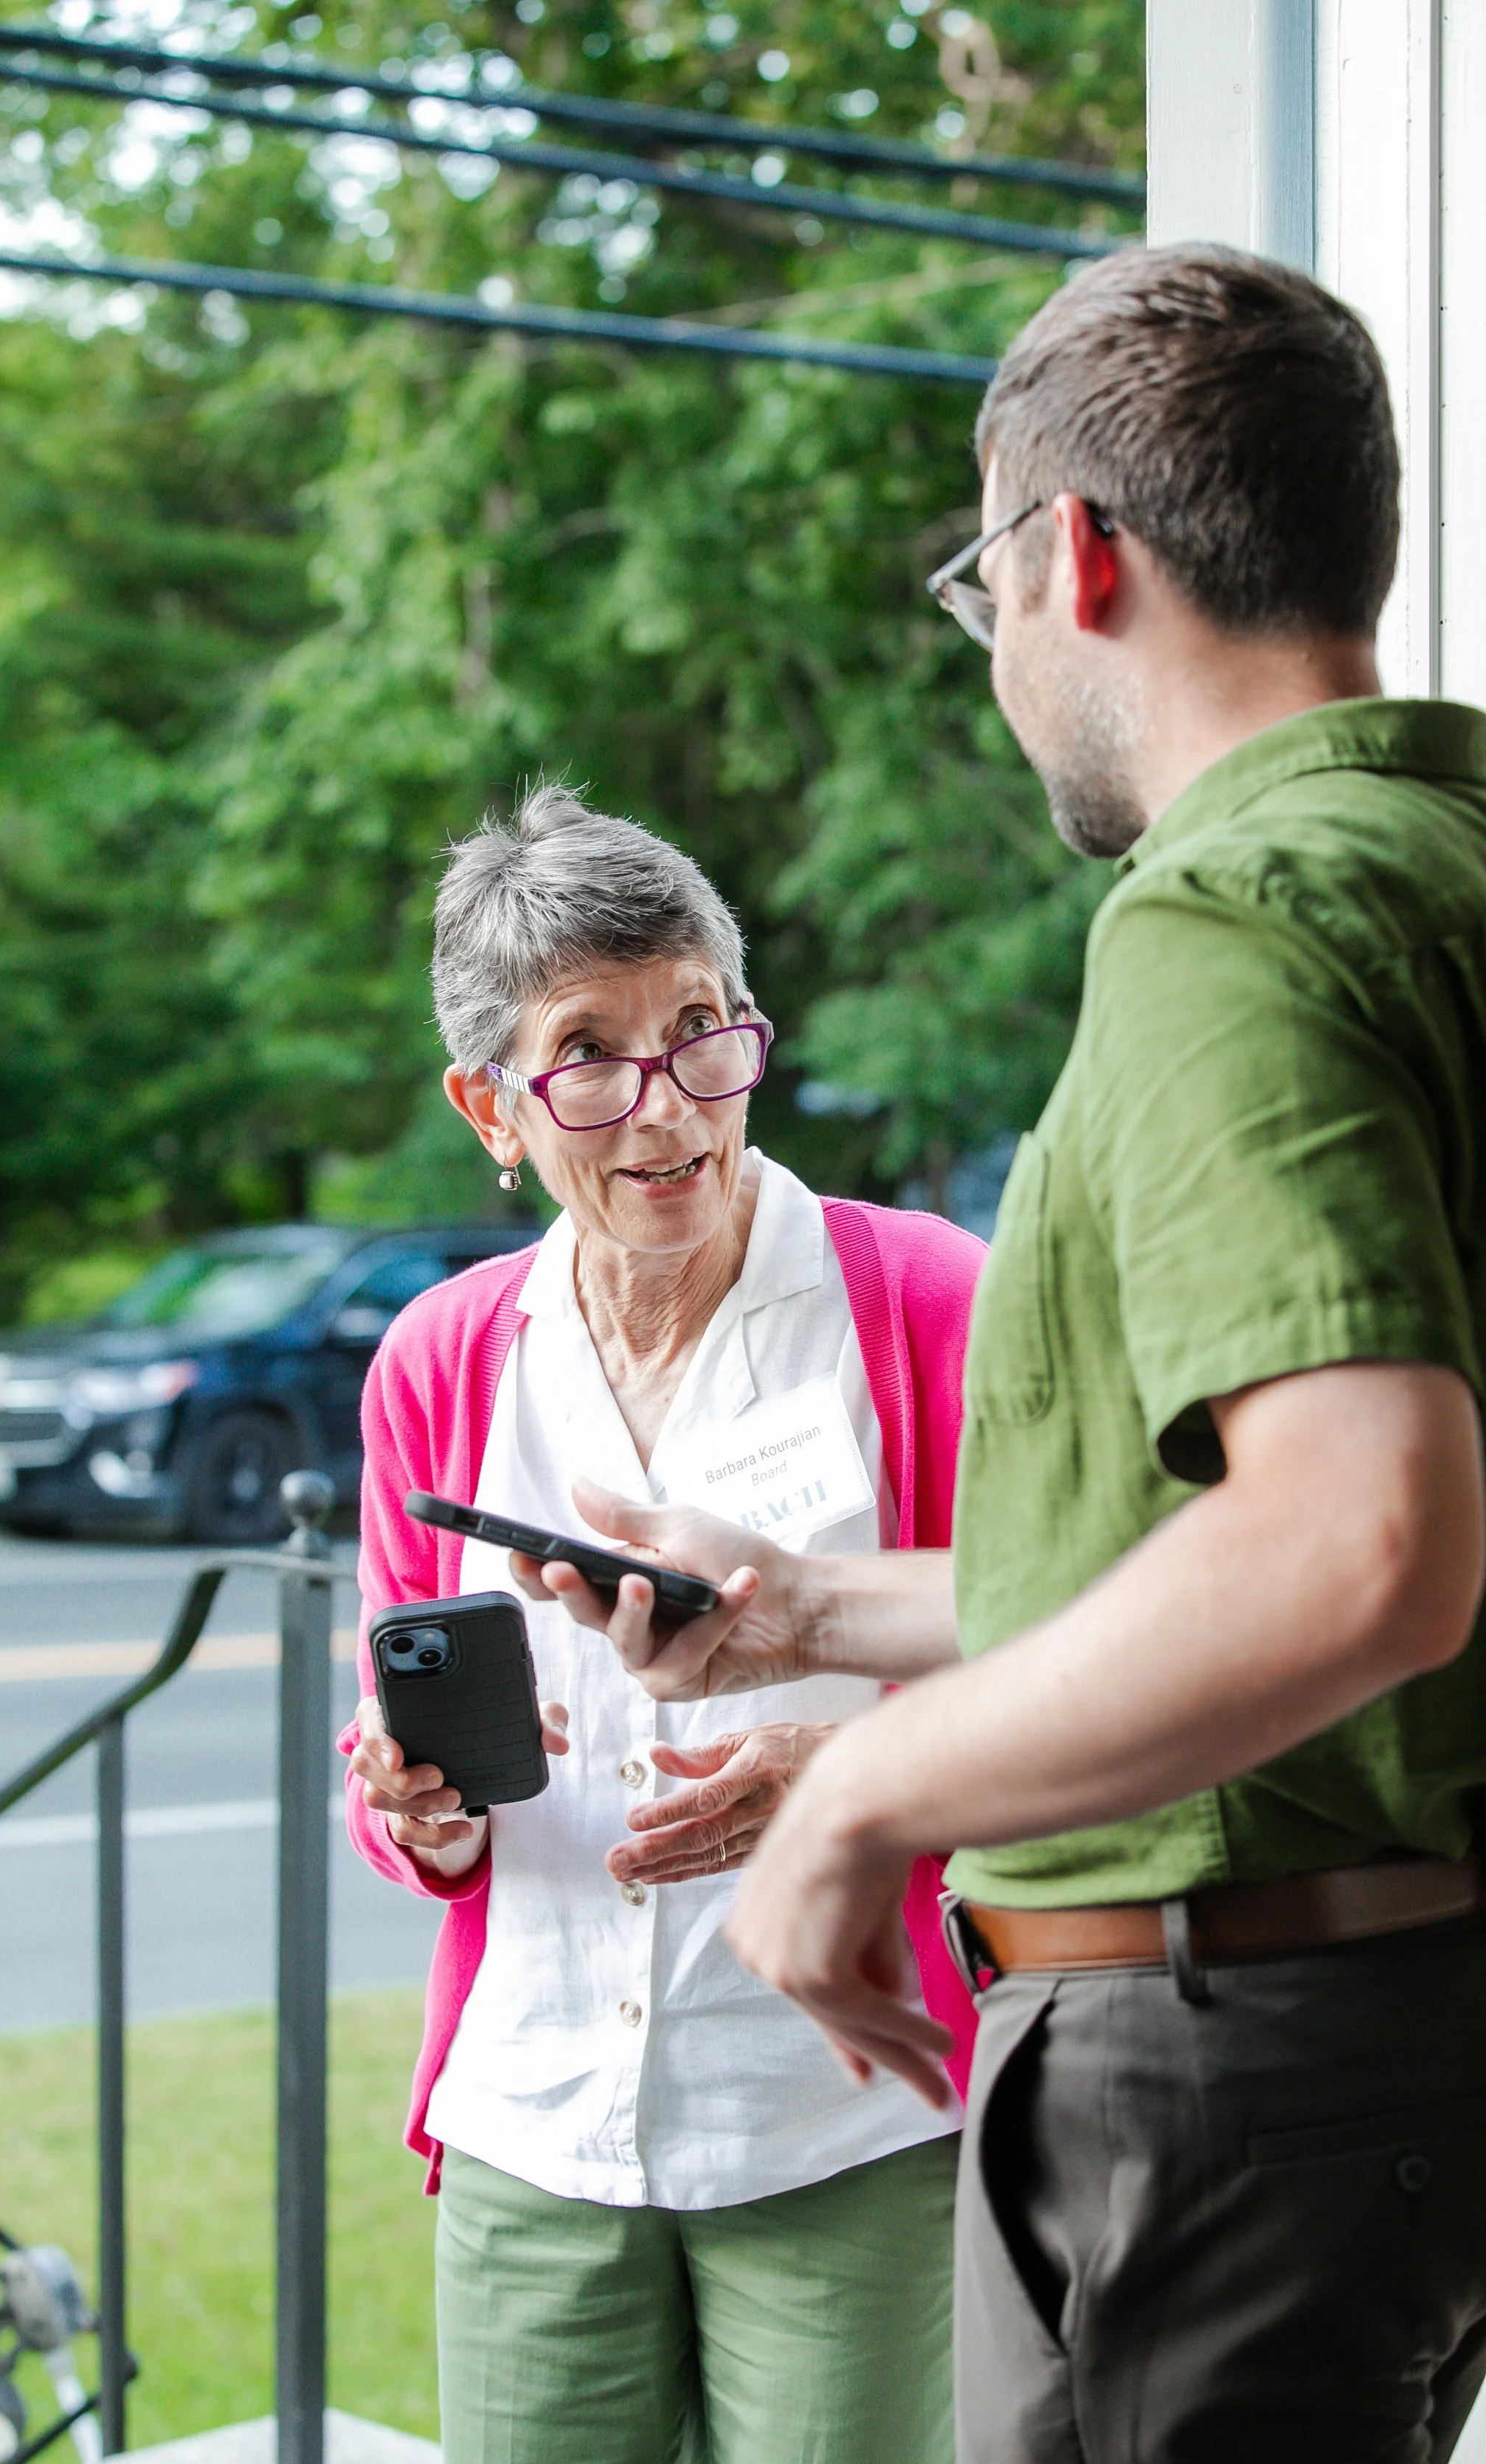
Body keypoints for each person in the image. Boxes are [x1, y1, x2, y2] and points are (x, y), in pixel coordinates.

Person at [535, 246, 1486, 2460]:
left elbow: (1366, 1549)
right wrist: (798, 1615)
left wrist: (867, 1783)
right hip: (1391, 2043)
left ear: (1078, 554)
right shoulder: (1448, 863)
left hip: (1219, 2063)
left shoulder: (1228, 913)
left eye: (984, 592)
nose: (1000, 664)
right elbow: (1236, 1545)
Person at [337, 788, 984, 2464]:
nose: (667, 1107)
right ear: (491, 1104)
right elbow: (407, 1757)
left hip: (838, 2121)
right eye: (589, 1056)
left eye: (700, 1031)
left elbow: (1088, 1651)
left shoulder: (920, 1302)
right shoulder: (439, 1359)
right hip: (534, 2121)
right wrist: (423, 1815)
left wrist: (844, 1770)